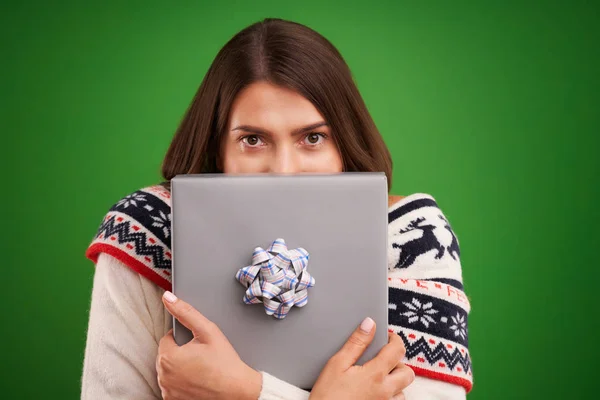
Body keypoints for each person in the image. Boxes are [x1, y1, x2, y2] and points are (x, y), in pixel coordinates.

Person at [81, 18, 472, 400]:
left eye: (313, 137)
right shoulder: (147, 229)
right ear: (218, 148)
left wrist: (248, 392)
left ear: (345, 142)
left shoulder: (414, 233)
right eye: (253, 139)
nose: (284, 171)